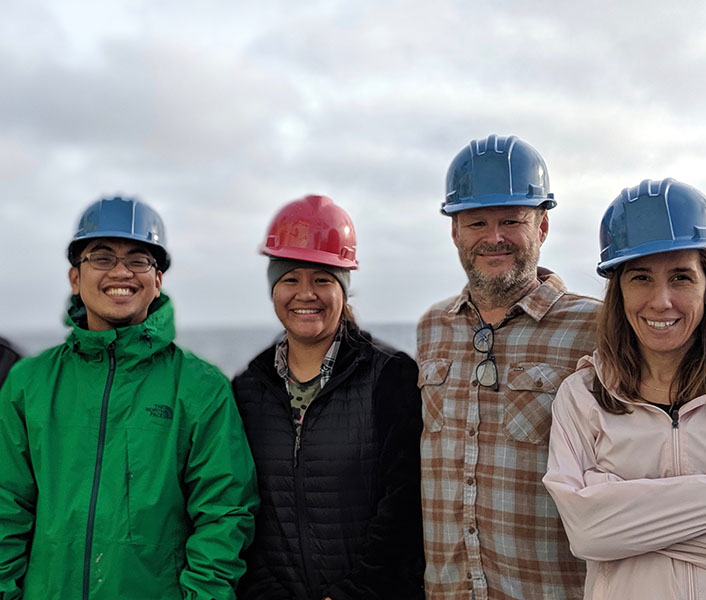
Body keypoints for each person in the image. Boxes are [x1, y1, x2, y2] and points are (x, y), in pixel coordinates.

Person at [543, 178, 706, 598]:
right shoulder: (584, 395)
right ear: (619, 290)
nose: (661, 300)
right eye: (641, 277)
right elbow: (588, 534)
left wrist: (629, 526)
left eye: (681, 277)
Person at [0, 196, 259, 599]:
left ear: (158, 280)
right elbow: (5, 505)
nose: (121, 272)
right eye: (101, 257)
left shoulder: (201, 386)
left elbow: (224, 514)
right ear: (74, 277)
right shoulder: (27, 383)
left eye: (139, 260)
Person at [417, 134, 600, 600]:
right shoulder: (432, 328)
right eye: (476, 222)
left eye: (511, 220)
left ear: (541, 228)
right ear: (455, 232)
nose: (493, 237)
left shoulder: (598, 328)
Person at [233, 194, 425, 600]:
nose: (306, 294)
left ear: (344, 287)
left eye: (322, 279)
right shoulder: (248, 389)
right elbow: (243, 511)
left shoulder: (392, 376)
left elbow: (404, 507)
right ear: (273, 289)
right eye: (290, 279)